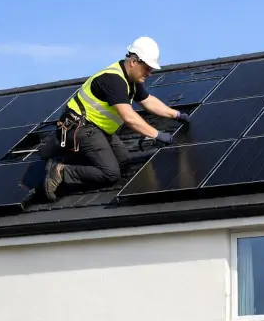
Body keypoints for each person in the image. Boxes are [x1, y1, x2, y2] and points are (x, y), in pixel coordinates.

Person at [39, 36, 190, 200]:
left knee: (123, 162)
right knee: (110, 174)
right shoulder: (113, 80)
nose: (149, 72)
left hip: (98, 130)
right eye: (147, 67)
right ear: (133, 61)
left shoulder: (130, 81)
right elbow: (129, 117)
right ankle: (61, 171)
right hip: (79, 127)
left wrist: (176, 114)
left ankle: (81, 163)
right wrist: (156, 135)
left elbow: (147, 101)